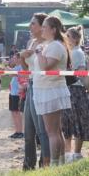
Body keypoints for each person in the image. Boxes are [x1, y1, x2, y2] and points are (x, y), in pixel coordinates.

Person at [32, 16, 72, 165]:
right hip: (46, 89)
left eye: (44, 27)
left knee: (52, 132)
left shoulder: (55, 45)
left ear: (53, 29)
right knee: (56, 131)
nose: (42, 29)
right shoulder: (51, 44)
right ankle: (60, 162)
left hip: (50, 90)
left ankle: (55, 164)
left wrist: (38, 52)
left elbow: (45, 66)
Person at [15, 13, 51, 168]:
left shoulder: (48, 44)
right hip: (30, 86)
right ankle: (28, 165)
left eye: (33, 23)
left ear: (42, 26)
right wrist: (22, 57)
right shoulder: (31, 42)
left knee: (41, 129)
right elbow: (26, 68)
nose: (30, 26)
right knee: (28, 130)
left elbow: (46, 67)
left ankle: (45, 163)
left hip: (43, 86)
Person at [61, 26, 89, 159]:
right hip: (73, 88)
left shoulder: (76, 52)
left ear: (75, 39)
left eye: (69, 36)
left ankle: (74, 153)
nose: (66, 39)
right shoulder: (74, 51)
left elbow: (80, 72)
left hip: (75, 89)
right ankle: (72, 153)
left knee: (74, 121)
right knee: (71, 121)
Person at [8, 71, 24, 139]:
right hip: (12, 93)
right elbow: (10, 75)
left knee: (17, 113)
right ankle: (17, 131)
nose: (12, 59)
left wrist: (9, 71)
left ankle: (20, 132)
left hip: (17, 93)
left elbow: (20, 75)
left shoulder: (21, 67)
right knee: (13, 113)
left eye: (14, 58)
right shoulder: (15, 67)